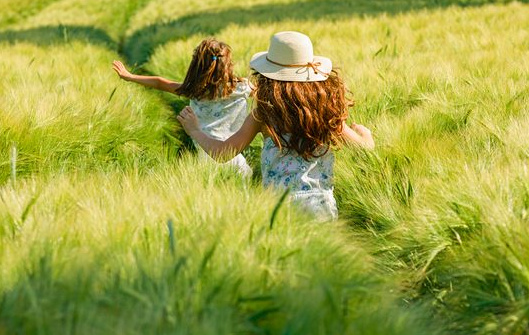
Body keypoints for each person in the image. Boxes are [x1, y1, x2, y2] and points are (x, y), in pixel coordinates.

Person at [177, 31, 374, 220]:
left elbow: (223, 153)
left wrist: (195, 130)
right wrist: (363, 133)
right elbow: (365, 148)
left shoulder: (264, 114)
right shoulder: (325, 113)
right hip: (321, 206)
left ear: (268, 75)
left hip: (278, 207)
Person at [112, 38, 252, 178]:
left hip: (206, 161)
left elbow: (160, 83)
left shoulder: (195, 90)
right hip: (235, 159)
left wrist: (130, 76)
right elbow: (268, 91)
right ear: (228, 65)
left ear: (196, 67)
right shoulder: (243, 87)